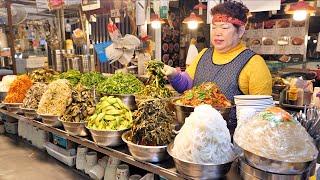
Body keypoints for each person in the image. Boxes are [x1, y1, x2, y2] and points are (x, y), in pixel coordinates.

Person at [163, 1, 272, 134]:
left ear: (240, 31)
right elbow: (186, 86)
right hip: (195, 134)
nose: (217, 33)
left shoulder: (254, 63)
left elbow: (263, 116)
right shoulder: (203, 54)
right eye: (214, 27)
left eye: (225, 28)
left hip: (230, 140)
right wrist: (174, 75)